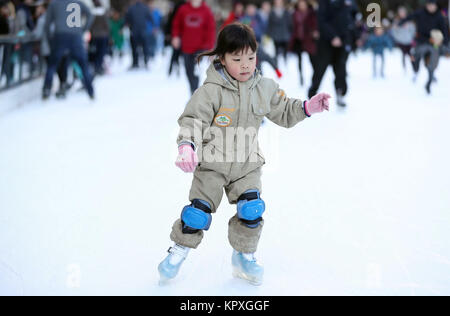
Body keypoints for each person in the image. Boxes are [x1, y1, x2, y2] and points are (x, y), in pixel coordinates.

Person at [158, 23, 330, 286]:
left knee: (251, 209)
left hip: (247, 164)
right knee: (197, 213)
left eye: (251, 57)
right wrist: (187, 146)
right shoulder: (210, 91)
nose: (246, 64)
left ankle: (243, 256)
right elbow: (193, 119)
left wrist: (307, 107)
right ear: (222, 59)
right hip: (212, 164)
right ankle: (178, 251)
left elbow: (283, 111)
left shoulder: (264, 87)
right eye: (237, 59)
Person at [308, 0, 360, 107]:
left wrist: (355, 37)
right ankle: (312, 95)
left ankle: (340, 93)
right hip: (326, 42)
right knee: (320, 69)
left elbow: (353, 19)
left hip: (344, 41)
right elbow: (321, 21)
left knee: (341, 69)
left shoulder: (348, 2)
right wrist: (332, 36)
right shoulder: (324, 3)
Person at [42, 0, 95, 100]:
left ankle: (46, 90)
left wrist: (50, 40)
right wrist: (82, 30)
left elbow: (47, 23)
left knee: (52, 64)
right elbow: (90, 15)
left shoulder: (55, 3)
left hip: (60, 36)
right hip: (75, 36)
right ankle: (90, 91)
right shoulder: (78, 3)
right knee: (83, 64)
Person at [399, 0, 449, 94]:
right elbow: (410, 17)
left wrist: (445, 43)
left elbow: (444, 30)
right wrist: (401, 22)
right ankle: (416, 68)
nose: (431, 7)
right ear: (427, 5)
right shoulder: (420, 13)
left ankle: (429, 83)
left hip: (433, 43)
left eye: (433, 5)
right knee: (416, 56)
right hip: (421, 42)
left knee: (432, 64)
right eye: (430, 5)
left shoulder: (439, 16)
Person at [171, 0, 216, 94]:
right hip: (186, 46)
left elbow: (211, 29)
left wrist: (211, 47)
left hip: (201, 48)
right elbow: (176, 24)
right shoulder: (183, 9)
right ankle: (193, 90)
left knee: (196, 71)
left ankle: (195, 92)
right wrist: (175, 36)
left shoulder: (206, 10)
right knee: (188, 71)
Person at [290, 0, 319, 86]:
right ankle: (301, 76)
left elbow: (315, 24)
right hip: (298, 39)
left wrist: (314, 32)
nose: (302, 6)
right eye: (300, 4)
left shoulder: (312, 13)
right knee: (299, 60)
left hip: (309, 39)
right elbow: (291, 26)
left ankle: (315, 77)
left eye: (303, 4)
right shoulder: (294, 14)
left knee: (312, 60)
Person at [124, 0, 153, 69]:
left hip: (134, 32)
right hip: (143, 31)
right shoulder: (145, 8)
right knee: (145, 48)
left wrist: (124, 26)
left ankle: (135, 63)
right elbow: (150, 18)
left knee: (134, 48)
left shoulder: (131, 8)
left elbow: (127, 19)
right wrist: (153, 26)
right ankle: (146, 62)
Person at [390, 6, 416, 72]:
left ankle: (414, 67)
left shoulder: (409, 21)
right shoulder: (396, 21)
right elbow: (393, 31)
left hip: (409, 41)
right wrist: (397, 38)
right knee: (403, 55)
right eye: (400, 12)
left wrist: (411, 37)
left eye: (403, 12)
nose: (402, 14)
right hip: (401, 41)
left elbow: (413, 30)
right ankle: (404, 68)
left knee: (411, 55)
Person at [266, 0, 292, 65]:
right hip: (276, 35)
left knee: (285, 51)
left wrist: (290, 33)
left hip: (285, 34)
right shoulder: (272, 12)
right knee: (276, 52)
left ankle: (286, 64)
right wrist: (269, 34)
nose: (278, 3)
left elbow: (290, 24)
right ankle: (277, 65)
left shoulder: (286, 12)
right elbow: (270, 24)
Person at [90, 0, 110, 75]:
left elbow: (90, 25)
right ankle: (99, 67)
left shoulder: (92, 13)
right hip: (103, 35)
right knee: (101, 52)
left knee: (95, 52)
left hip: (95, 35)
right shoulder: (104, 13)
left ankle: (96, 66)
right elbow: (107, 25)